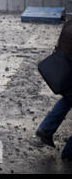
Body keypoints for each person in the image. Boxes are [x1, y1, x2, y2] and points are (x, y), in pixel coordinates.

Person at [35, 20, 72, 161]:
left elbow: (59, 45)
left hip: (66, 73)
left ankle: (46, 129)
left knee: (67, 101)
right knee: (67, 101)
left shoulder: (68, 24)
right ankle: (68, 153)